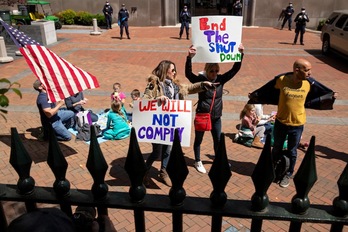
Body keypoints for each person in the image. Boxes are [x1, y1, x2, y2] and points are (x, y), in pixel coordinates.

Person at [248, 58, 337, 188]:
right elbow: (267, 89)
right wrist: (256, 95)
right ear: (297, 70)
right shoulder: (282, 80)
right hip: (281, 123)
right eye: (306, 70)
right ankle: (273, 170)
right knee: (277, 148)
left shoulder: (309, 84)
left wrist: (331, 96)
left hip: (297, 124)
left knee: (292, 151)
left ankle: (288, 174)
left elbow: (322, 92)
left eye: (310, 70)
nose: (310, 73)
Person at [143, 61, 217, 186]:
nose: (175, 73)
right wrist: (158, 99)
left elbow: (189, 88)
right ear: (165, 70)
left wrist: (203, 84)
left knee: (168, 149)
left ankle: (163, 171)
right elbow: (145, 99)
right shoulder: (154, 84)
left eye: (175, 70)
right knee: (156, 152)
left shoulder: (175, 85)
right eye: (172, 70)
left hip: (172, 123)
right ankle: (143, 173)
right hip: (158, 123)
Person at [185, 44, 245, 173]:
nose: (214, 73)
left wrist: (240, 54)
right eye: (212, 71)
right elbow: (188, 74)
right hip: (202, 114)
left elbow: (235, 69)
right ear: (207, 70)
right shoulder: (201, 80)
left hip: (216, 117)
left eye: (216, 71)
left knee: (217, 140)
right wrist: (189, 58)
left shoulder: (221, 79)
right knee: (198, 139)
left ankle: (219, 159)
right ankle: (197, 161)